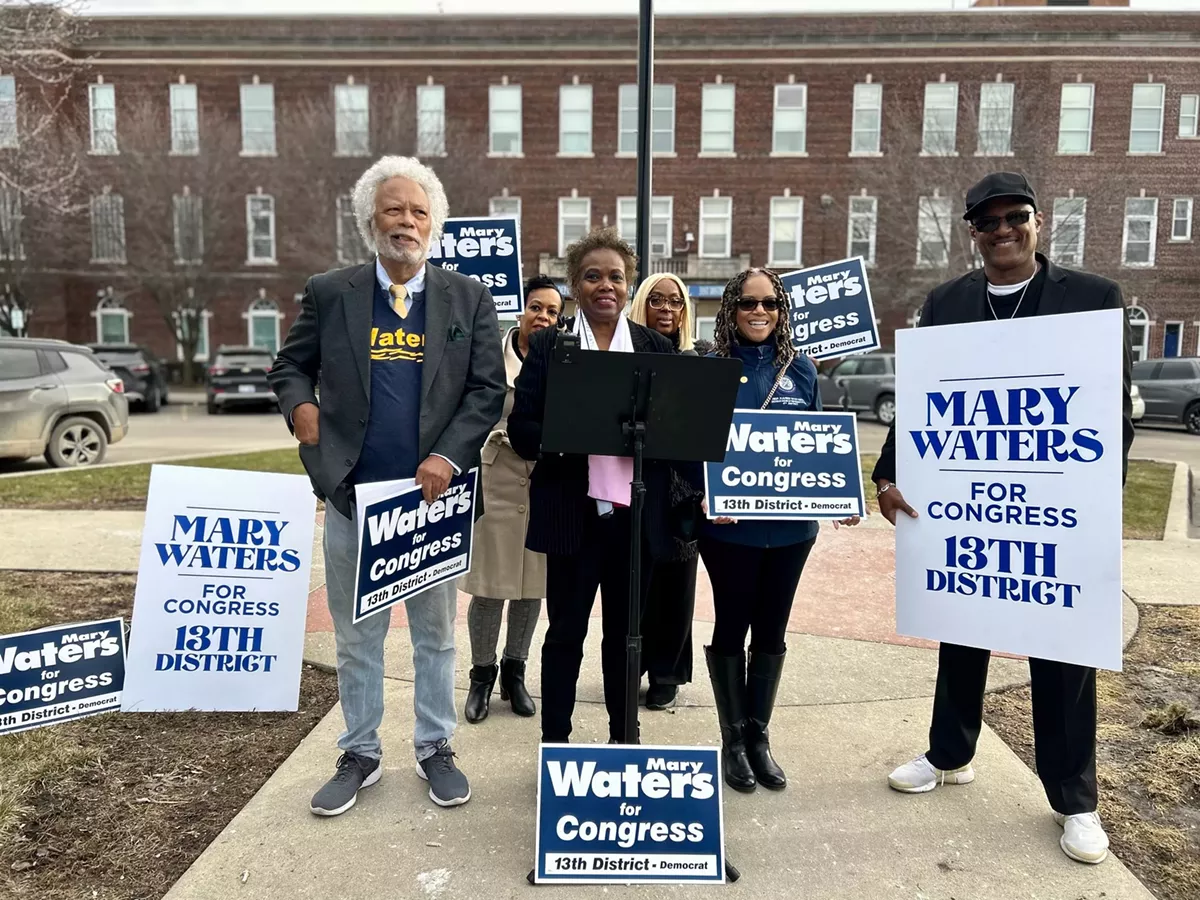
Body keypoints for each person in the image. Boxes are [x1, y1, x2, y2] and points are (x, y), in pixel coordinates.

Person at [875, 172, 1133, 864]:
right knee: (962, 627)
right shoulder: (947, 303)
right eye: (987, 224)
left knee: (1061, 649)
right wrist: (889, 473)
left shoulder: (1092, 297)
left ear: (1038, 221)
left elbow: (1113, 413)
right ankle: (948, 753)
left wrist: (1099, 501)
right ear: (973, 234)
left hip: (1054, 505)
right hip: (971, 504)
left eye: (1014, 217)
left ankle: (1075, 800)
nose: (1002, 232)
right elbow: (921, 398)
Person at [268, 156, 506, 816]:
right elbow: (290, 370)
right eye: (394, 208)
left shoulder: (466, 297)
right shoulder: (331, 291)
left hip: (433, 508)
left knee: (435, 636)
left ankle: (435, 747)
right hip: (354, 501)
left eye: (419, 211)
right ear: (369, 218)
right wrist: (302, 413)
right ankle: (361, 752)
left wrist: (450, 458)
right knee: (356, 636)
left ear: (435, 224)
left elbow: (488, 391)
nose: (406, 220)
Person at [508, 227, 677, 745]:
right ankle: (555, 743)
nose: (607, 285)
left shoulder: (654, 346)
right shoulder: (551, 347)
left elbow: (675, 433)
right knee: (565, 635)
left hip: (636, 517)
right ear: (576, 285)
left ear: (630, 286)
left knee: (626, 638)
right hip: (571, 513)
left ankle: (624, 740)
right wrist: (573, 430)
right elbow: (522, 432)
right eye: (593, 276)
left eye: (617, 277)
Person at [699, 268, 859, 793]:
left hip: (792, 532)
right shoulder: (711, 368)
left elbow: (818, 442)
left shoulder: (804, 370)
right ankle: (731, 739)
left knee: (772, 630)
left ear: (782, 308)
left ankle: (758, 736)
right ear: (731, 308)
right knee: (731, 626)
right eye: (748, 303)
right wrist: (704, 492)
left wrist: (841, 493)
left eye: (770, 303)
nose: (759, 312)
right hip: (730, 532)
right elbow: (689, 448)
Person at [459, 276, 563, 724]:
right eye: (536, 307)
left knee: (530, 586)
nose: (543, 317)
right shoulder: (486, 356)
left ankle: (515, 673)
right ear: (520, 311)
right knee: (489, 586)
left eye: (553, 311)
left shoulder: (563, 359)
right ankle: (482, 674)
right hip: (493, 478)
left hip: (542, 483)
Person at [628, 272, 701, 710]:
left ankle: (667, 673)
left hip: (683, 491)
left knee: (676, 588)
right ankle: (627, 666)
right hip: (634, 486)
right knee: (634, 583)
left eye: (676, 301)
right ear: (641, 305)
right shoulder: (623, 354)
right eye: (657, 300)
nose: (667, 309)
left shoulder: (699, 359)